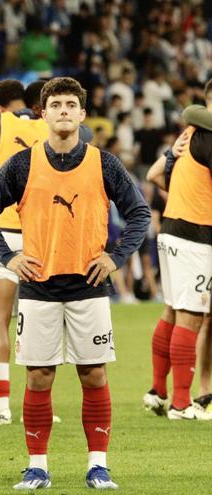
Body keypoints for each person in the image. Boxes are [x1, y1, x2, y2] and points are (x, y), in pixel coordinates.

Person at [0, 77, 150, 490]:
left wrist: (115, 256)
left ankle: (98, 466)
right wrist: (11, 257)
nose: (64, 111)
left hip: (88, 286)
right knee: (39, 377)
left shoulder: (104, 162)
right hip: (39, 288)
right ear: (43, 112)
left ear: (83, 114)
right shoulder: (22, 164)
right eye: (56, 105)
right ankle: (37, 466)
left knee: (94, 376)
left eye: (72, 104)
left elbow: (139, 213)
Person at [0, 79, 49, 425]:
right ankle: (35, 401)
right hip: (40, 236)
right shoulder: (52, 126)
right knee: (38, 321)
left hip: (1, 232)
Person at [144, 83, 212, 420]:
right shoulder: (209, 137)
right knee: (192, 316)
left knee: (172, 310)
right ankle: (183, 404)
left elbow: (155, 174)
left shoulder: (189, 133)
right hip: (196, 236)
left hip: (172, 230)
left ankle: (158, 391)